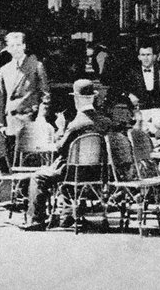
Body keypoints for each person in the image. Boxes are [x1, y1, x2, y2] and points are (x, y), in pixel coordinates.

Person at [21, 79, 110, 230]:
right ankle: (68, 214)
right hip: (97, 173)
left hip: (72, 173)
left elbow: (60, 149)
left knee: (38, 177)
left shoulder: (75, 124)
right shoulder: (105, 122)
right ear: (93, 97)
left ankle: (36, 220)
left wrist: (61, 129)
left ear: (76, 99)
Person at [0, 31, 50, 137]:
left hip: (29, 120)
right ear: (8, 48)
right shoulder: (4, 69)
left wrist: (41, 117)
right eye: (12, 45)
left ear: (24, 46)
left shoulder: (36, 66)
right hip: (10, 122)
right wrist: (1, 123)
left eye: (18, 45)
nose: (15, 48)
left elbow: (45, 95)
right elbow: (1, 98)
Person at [123, 43, 160, 110]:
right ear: (139, 57)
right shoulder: (132, 73)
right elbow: (123, 90)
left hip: (158, 111)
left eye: (148, 55)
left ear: (154, 56)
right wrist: (130, 95)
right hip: (138, 111)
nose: (146, 58)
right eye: (143, 55)